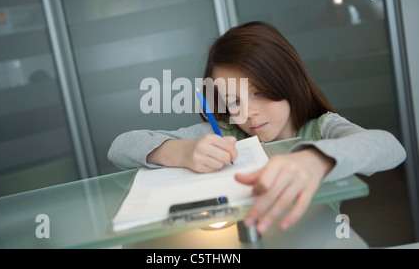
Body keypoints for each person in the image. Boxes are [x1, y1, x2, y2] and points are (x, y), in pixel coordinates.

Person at [108, 21, 406, 234]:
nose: (248, 113)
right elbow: (120, 147)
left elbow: (390, 148)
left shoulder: (322, 128)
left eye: (259, 92)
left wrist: (316, 158)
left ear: (286, 81)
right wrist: (183, 152)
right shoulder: (226, 133)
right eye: (234, 101)